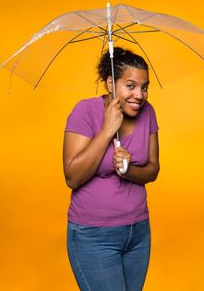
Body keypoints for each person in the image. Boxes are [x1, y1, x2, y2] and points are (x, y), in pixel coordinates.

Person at [63, 47, 160, 291]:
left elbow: (152, 170)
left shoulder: (148, 112)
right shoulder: (85, 111)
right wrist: (107, 130)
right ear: (110, 83)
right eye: (130, 86)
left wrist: (127, 171)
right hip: (93, 235)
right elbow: (72, 177)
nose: (140, 94)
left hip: (138, 232)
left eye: (144, 86)